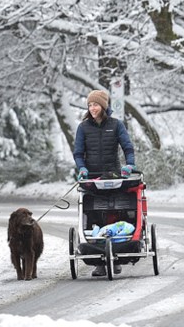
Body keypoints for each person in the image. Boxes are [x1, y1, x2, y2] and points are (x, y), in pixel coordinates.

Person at [73, 88, 136, 277]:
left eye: (96, 104)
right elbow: (78, 153)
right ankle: (98, 262)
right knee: (94, 215)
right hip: (92, 178)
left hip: (113, 176)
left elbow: (127, 147)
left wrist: (129, 165)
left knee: (114, 213)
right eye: (90, 105)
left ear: (103, 105)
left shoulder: (116, 125)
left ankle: (116, 258)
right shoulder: (83, 128)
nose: (92, 108)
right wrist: (82, 168)